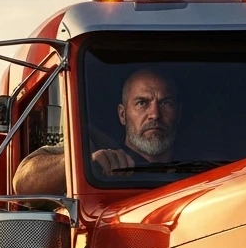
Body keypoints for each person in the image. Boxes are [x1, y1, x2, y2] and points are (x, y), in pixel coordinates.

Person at [13, 68, 180, 196]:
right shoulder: (93, 152)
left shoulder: (195, 165)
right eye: (142, 103)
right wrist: (85, 165)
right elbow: (23, 181)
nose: (155, 114)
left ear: (178, 114)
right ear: (122, 115)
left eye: (165, 103)